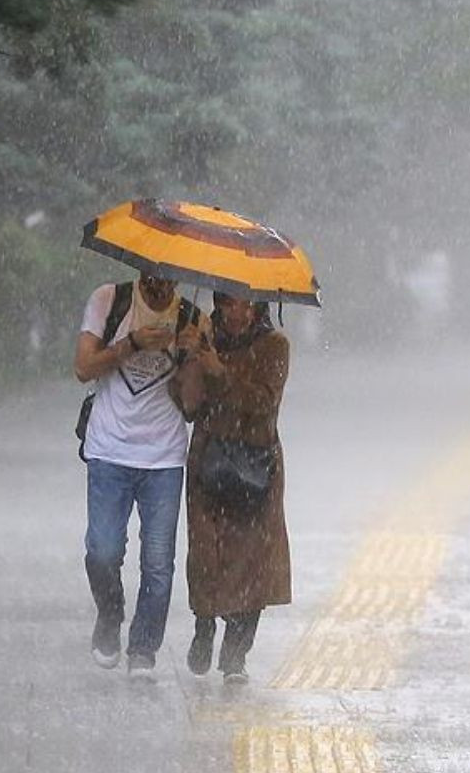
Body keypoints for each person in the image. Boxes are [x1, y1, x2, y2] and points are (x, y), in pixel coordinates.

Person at [73, 273, 201, 679]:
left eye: (170, 278)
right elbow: (83, 367)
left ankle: (144, 648)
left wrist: (191, 356)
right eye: (154, 275)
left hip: (164, 457)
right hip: (109, 451)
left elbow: (193, 406)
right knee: (103, 551)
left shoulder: (192, 318)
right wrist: (132, 343)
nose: (162, 285)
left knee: (158, 562)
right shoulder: (109, 300)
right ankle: (110, 613)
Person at [174, 292, 291, 684]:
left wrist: (219, 370)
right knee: (206, 550)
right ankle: (204, 623)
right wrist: (190, 361)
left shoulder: (274, 345)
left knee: (252, 559)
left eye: (245, 304)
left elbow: (262, 401)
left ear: (258, 307)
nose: (236, 311)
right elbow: (188, 406)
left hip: (255, 462)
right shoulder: (204, 336)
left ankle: (236, 653)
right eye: (227, 303)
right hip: (209, 459)